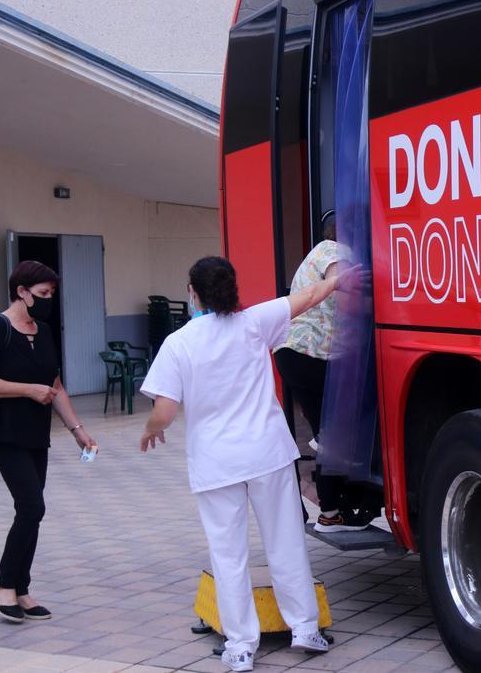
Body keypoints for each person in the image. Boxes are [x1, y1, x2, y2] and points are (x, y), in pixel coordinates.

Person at [137, 256, 360, 672]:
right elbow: (309, 295)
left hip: (216, 463)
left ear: (193, 293)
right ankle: (305, 629)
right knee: (286, 542)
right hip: (268, 454)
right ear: (232, 289)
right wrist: (339, 275)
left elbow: (165, 411)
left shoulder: (179, 343)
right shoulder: (255, 321)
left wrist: (151, 429)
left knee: (228, 553)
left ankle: (240, 647)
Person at [0, 260, 97, 623]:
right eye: (42, 294)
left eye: (52, 294)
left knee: (32, 511)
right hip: (3, 431)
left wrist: (78, 431)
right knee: (31, 506)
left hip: (36, 432)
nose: (48, 299)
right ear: (22, 292)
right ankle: (4, 584)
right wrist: (26, 390)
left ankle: (20, 590)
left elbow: (55, 388)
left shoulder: (45, 331)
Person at [274, 210, 381, 533]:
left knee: (330, 434)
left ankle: (332, 513)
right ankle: (337, 506)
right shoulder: (333, 251)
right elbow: (343, 287)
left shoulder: (316, 253)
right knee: (347, 427)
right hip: (310, 356)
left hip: (296, 356)